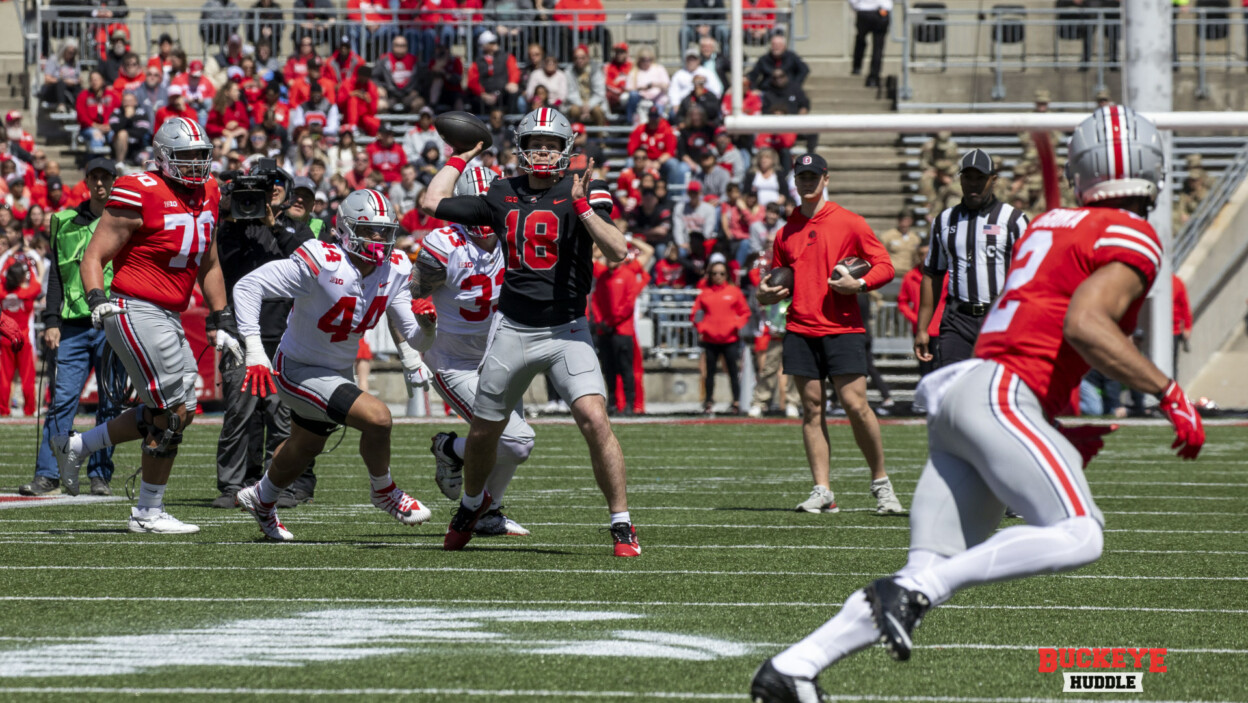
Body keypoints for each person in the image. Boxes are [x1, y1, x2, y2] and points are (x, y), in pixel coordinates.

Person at [749, 105, 1206, 703]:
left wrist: (1052, 424)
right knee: (1080, 534)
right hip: (1000, 395)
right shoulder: (1128, 232)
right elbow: (1085, 324)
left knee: (923, 568)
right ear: (1149, 165)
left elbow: (1036, 325)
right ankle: (913, 594)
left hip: (967, 389)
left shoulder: (1047, 225)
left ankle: (793, 667)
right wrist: (1169, 392)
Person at [419, 107, 639, 556]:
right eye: (535, 143)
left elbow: (618, 250)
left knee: (596, 420)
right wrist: (461, 156)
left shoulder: (585, 188)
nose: (542, 152)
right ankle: (470, 506)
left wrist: (581, 205)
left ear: (566, 150)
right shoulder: (503, 191)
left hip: (567, 331)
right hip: (514, 329)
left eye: (551, 144)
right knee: (485, 432)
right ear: (521, 148)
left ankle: (621, 523)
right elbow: (431, 203)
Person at [230, 189, 436, 541]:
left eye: (385, 231)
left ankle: (262, 498)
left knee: (305, 446)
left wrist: (429, 327)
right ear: (348, 228)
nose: (380, 239)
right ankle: (384, 491)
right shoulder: (322, 261)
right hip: (297, 367)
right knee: (378, 418)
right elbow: (248, 287)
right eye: (371, 230)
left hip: (337, 372)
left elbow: (415, 337)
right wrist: (254, 350)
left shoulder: (396, 267)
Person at [59, 118, 233, 533]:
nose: (195, 165)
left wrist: (220, 315)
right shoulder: (139, 189)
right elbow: (93, 255)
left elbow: (208, 260)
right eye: (186, 157)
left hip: (169, 312)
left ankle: (79, 445)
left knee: (184, 410)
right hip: (133, 306)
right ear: (163, 158)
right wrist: (96, 299)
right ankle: (147, 513)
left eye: (200, 156)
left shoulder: (210, 191)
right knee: (170, 413)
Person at [755, 153, 904, 516]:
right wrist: (763, 295)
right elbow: (777, 281)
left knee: (857, 407)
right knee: (811, 409)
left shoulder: (850, 222)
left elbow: (885, 264)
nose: (807, 182)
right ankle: (823, 490)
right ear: (794, 180)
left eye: (813, 176)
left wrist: (861, 283)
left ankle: (882, 484)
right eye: (801, 176)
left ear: (826, 178)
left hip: (843, 328)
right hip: (800, 328)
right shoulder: (785, 232)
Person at [410, 167, 535, 537]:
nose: (482, 216)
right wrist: (419, 312)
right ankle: (450, 447)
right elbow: (413, 292)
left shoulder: (514, 236)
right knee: (515, 441)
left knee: (512, 444)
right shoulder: (443, 243)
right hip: (456, 362)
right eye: (475, 206)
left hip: (503, 353)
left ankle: (489, 513)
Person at [212, 163, 320, 510]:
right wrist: (231, 209)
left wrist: (274, 223)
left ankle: (282, 483)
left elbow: (309, 263)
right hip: (242, 336)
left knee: (282, 416)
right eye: (263, 186)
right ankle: (234, 484)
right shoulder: (231, 229)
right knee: (238, 414)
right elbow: (217, 264)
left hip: (287, 336)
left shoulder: (299, 230)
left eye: (276, 184)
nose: (270, 190)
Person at [916, 149, 1029, 369]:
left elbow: (1032, 274)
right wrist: (922, 328)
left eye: (981, 178)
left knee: (995, 387)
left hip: (1000, 318)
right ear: (960, 179)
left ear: (993, 180)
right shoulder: (945, 220)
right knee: (952, 387)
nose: (974, 184)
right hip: (957, 319)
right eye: (968, 177)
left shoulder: (1014, 220)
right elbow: (932, 274)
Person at [592, 238, 650, 416]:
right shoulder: (603, 276)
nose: (609, 258)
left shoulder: (628, 275)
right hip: (607, 330)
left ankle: (629, 404)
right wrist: (601, 321)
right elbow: (596, 301)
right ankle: (612, 404)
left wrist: (610, 322)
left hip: (622, 331)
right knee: (608, 370)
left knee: (626, 369)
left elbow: (628, 304)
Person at [692, 259, 750, 415]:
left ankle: (736, 402)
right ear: (710, 275)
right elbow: (696, 315)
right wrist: (703, 328)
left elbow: (745, 312)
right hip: (710, 340)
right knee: (709, 373)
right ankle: (708, 401)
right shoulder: (705, 293)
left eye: (721, 273)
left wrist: (736, 325)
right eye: (714, 273)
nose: (718, 276)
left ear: (726, 275)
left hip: (730, 339)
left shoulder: (734, 292)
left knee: (732, 372)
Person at [0, 252, 40, 417]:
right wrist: (30, 264)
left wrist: (8, 263)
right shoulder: (28, 292)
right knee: (27, 377)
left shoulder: (1, 292)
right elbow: (37, 285)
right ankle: (29, 409)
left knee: (4, 377)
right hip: (23, 338)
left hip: (5, 339)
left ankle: (3, 409)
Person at [849, 0, 892, 87]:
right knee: (878, 47)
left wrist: (856, 7)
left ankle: (857, 67)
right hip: (880, 12)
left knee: (861, 40)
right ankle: (873, 77)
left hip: (864, 11)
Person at [877, 207, 921, 280]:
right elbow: (880, 255)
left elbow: (916, 257)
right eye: (903, 220)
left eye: (908, 220)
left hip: (908, 272)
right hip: (893, 272)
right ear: (898, 220)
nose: (905, 223)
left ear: (911, 221)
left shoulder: (915, 238)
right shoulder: (887, 236)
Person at [1172, 274, 1192, 376]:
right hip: (1162, 332)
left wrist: (1187, 327)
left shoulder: (1177, 282)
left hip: (1174, 331)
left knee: (1172, 364)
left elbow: (1185, 307)